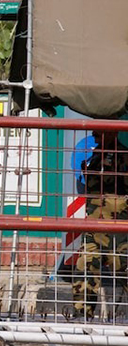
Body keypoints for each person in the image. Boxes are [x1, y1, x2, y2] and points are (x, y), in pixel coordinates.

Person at [72, 130, 128, 321]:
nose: (94, 137)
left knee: (123, 269)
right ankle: (82, 315)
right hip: (95, 226)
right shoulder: (95, 157)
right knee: (85, 267)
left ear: (112, 133)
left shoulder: (124, 157)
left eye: (99, 133)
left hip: (119, 228)